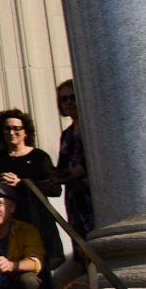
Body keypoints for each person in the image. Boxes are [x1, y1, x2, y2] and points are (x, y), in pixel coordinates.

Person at [0, 107, 63, 268]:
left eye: (17, 128)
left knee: (40, 265)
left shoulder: (39, 156)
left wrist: (21, 183)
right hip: (8, 223)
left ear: (26, 132)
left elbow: (55, 189)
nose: (12, 132)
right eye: (7, 128)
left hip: (37, 219)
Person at [53, 81, 94, 240]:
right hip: (74, 196)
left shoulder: (92, 127)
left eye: (72, 97)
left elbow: (89, 162)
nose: (68, 102)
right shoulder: (67, 134)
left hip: (92, 193)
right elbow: (61, 166)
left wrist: (70, 174)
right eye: (64, 99)